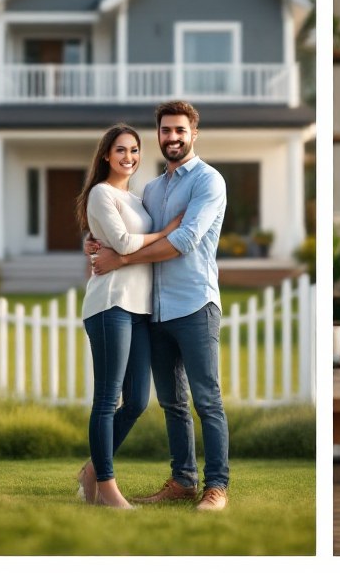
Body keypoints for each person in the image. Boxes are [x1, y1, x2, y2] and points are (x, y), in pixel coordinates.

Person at [89, 101, 231, 510]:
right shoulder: (150, 189)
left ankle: (216, 487)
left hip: (195, 303)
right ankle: (183, 479)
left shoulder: (209, 181)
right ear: (159, 134)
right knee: (172, 403)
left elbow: (184, 241)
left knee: (207, 401)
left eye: (180, 131)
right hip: (155, 310)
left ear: (193, 134)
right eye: (166, 130)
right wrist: (95, 243)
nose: (172, 137)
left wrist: (122, 258)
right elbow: (129, 232)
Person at [74, 124, 181, 509]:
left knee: (137, 400)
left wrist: (156, 236)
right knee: (106, 399)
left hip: (140, 309)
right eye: (121, 150)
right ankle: (106, 486)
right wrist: (165, 232)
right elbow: (120, 243)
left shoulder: (134, 199)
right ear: (106, 154)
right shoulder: (101, 193)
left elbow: (116, 242)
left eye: (134, 150)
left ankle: (89, 471)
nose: (129, 157)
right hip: (110, 305)